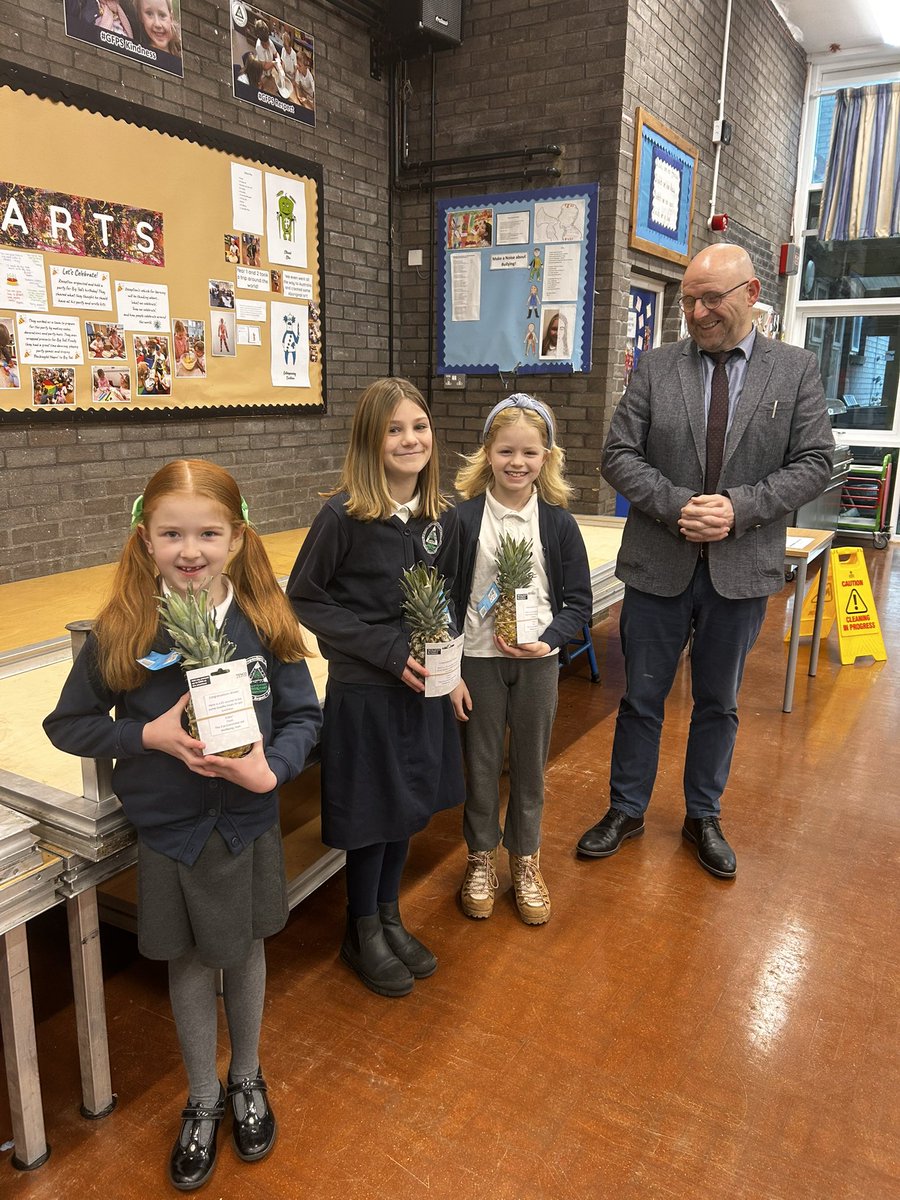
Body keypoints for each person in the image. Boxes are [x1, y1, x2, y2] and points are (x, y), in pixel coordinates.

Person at [44, 459, 322, 1191]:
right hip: (171, 831)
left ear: (237, 537)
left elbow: (304, 717)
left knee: (247, 952)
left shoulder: (264, 620)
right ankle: (203, 1098)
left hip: (246, 823)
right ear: (145, 539)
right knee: (190, 963)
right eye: (172, 534)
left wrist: (273, 771)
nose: (190, 550)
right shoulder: (126, 628)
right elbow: (67, 724)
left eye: (207, 533)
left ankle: (248, 1078)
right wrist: (148, 737)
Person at [576, 244, 834, 879]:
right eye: (689, 298)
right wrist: (679, 505)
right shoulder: (657, 368)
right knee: (640, 698)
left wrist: (738, 509)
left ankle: (703, 815)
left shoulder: (794, 370)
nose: (696, 311)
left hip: (741, 569)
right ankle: (627, 808)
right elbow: (617, 453)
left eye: (711, 298)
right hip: (658, 562)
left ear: (750, 294)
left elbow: (817, 462)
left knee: (719, 702)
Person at [287, 378, 464, 998]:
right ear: (370, 440)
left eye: (419, 426)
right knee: (370, 815)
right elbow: (304, 596)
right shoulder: (343, 515)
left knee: (406, 807)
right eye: (394, 429)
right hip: (366, 691)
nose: (410, 439)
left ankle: (390, 915)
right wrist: (387, 650)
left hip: (423, 689)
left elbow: (447, 599)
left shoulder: (438, 516)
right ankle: (360, 927)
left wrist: (451, 666)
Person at [451, 395, 591, 924]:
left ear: (546, 457)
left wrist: (551, 639)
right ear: (487, 452)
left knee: (530, 766)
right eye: (506, 450)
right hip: (479, 661)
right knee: (482, 764)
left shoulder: (557, 525)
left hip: (537, 663)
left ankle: (525, 859)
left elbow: (579, 599)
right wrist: (450, 670)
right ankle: (481, 856)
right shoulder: (462, 521)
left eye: (529, 453)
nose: (517, 462)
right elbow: (444, 597)